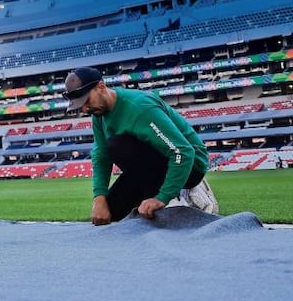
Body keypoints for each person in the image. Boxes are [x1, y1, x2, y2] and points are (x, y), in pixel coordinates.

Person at [63, 66, 218, 226]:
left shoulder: (140, 107)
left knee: (118, 145)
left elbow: (183, 152)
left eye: (86, 100)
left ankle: (184, 193)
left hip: (190, 166)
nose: (85, 108)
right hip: (149, 169)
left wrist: (162, 198)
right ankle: (151, 193)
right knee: (109, 215)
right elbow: (101, 155)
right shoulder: (98, 113)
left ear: (101, 86)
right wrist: (99, 198)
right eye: (80, 106)